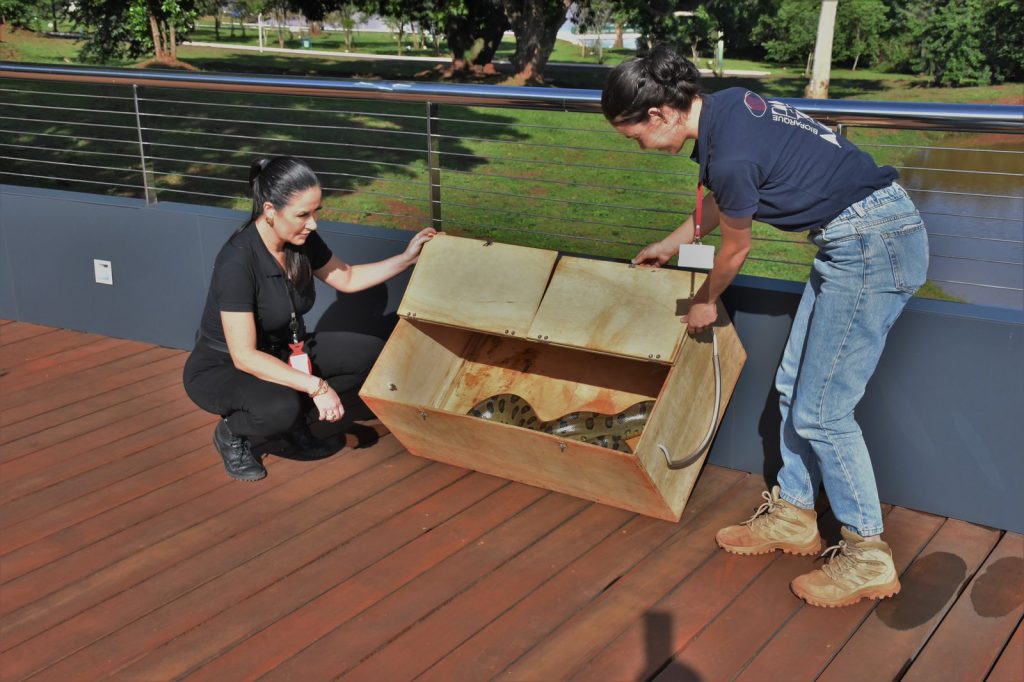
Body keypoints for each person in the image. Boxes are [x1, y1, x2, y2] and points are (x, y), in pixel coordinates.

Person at [602, 46, 929, 608]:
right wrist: (670, 244)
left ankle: (868, 556)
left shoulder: (728, 153)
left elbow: (736, 247)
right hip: (854, 238)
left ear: (659, 115)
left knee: (824, 412)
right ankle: (796, 516)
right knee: (794, 384)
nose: (634, 145)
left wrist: (706, 300)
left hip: (873, 245)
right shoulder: (726, 108)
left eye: (632, 135)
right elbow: (732, 202)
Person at [183, 156, 436, 482]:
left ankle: (293, 421)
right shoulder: (237, 262)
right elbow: (244, 356)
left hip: (283, 352)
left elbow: (347, 278)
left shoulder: (301, 241)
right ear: (270, 210)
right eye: (303, 214)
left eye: (316, 211)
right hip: (224, 366)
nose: (313, 223)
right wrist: (317, 388)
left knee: (370, 354)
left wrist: (406, 259)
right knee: (279, 407)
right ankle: (233, 433)